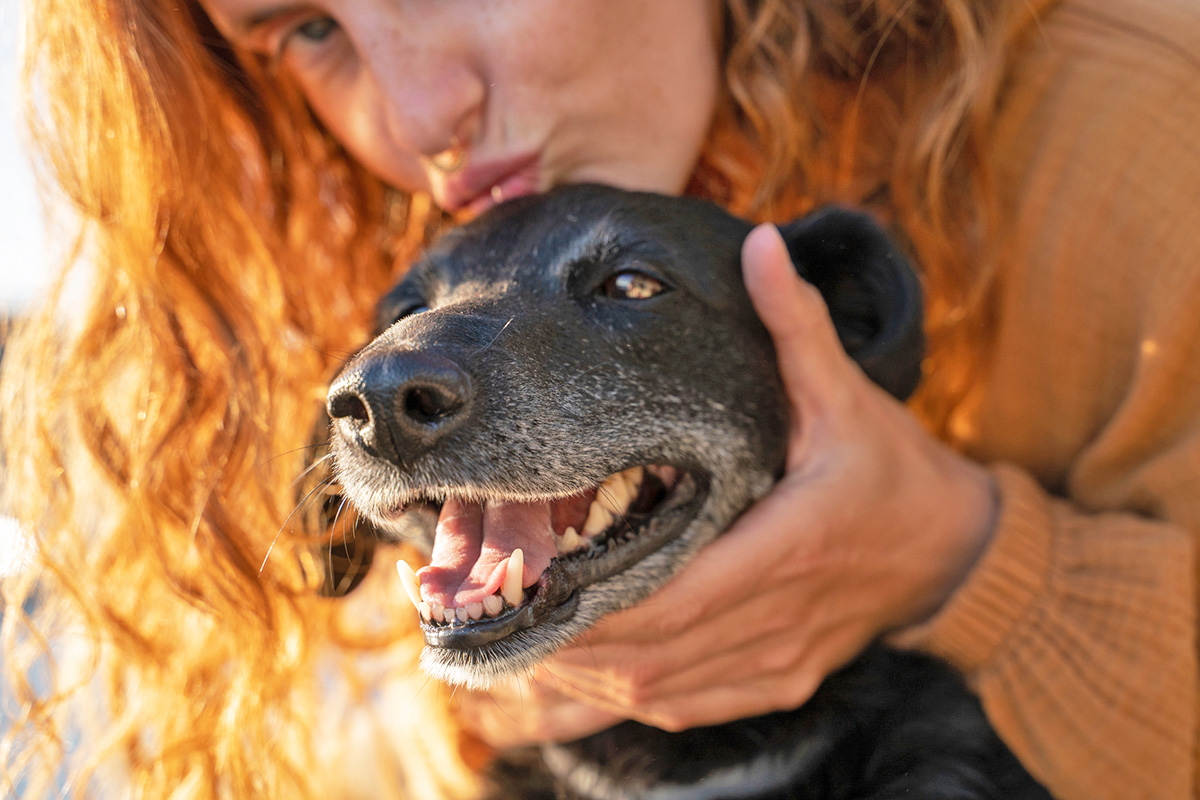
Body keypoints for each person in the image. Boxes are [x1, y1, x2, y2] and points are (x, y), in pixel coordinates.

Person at [2, 0, 1197, 798]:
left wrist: (963, 560)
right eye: (311, 27)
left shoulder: (1151, 120)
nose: (420, 117)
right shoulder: (417, 270)